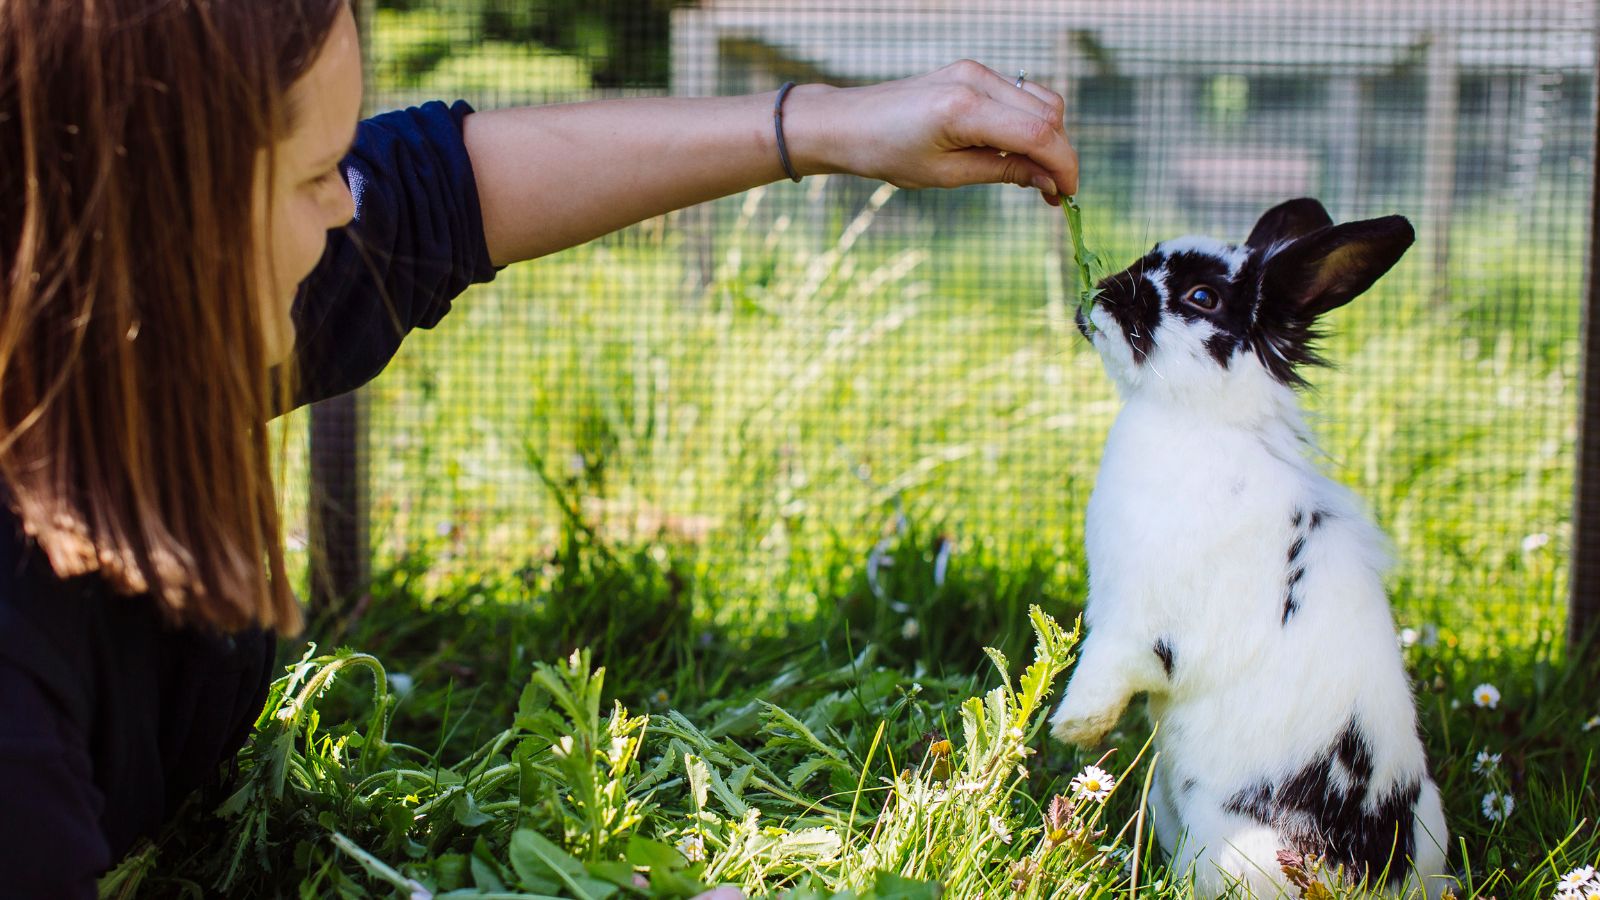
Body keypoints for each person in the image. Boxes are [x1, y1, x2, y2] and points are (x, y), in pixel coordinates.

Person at [0, 0, 1077, 895]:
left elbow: (436, 190)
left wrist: (828, 128)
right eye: (309, 174)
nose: (347, 208)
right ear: (140, 221)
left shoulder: (98, 329)